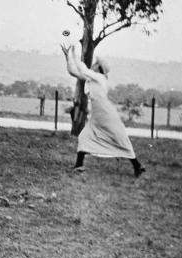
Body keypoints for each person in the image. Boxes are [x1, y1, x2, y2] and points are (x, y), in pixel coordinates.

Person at [60, 44, 145, 177]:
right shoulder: (92, 78)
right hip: (98, 112)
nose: (93, 65)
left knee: (119, 138)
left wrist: (73, 55)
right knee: (84, 136)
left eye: (95, 64)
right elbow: (74, 72)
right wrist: (68, 58)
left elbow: (82, 69)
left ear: (98, 68)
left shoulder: (99, 78)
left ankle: (137, 165)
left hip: (105, 112)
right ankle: (79, 165)